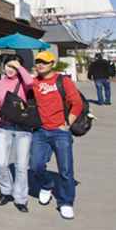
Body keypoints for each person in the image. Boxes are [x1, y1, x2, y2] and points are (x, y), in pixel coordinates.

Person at [29, 50, 83, 220]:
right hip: (40, 131)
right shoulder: (35, 82)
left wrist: (67, 125)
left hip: (60, 132)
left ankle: (66, 202)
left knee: (65, 169)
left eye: (44, 62)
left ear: (52, 64)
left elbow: (77, 103)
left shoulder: (63, 80)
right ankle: (47, 184)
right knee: (36, 165)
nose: (40, 64)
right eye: (38, 61)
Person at [0, 55, 34, 212]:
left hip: (23, 128)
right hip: (4, 127)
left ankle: (20, 199)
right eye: (8, 65)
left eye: (14, 66)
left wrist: (19, 67)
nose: (10, 69)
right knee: (1, 162)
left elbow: (30, 82)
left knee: (21, 166)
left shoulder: (23, 83)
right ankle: (6, 191)